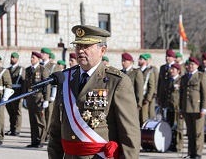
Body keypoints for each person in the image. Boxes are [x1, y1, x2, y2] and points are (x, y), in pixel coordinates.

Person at [48, 25, 141, 158]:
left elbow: (129, 134)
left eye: (86, 47)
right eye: (78, 46)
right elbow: (56, 129)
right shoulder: (65, 79)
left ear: (102, 50)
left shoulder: (116, 81)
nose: (80, 51)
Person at [180, 57, 206, 159]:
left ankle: (198, 153)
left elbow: (205, 94)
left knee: (198, 132)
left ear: (197, 65)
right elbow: (182, 94)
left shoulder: (201, 76)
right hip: (187, 108)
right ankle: (191, 152)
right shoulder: (184, 78)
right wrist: (181, 108)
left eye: (193, 64)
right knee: (190, 132)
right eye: (189, 64)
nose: (190, 66)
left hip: (197, 108)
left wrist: (204, 108)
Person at [24, 51, 51, 148]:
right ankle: (34, 141)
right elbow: (26, 85)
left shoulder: (42, 70)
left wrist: (46, 99)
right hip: (30, 98)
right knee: (32, 121)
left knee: (40, 121)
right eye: (31, 58)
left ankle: (41, 140)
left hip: (39, 98)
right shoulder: (28, 70)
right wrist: (25, 98)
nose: (31, 59)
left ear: (38, 59)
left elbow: (47, 86)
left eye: (33, 58)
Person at [161, 63, 183, 152]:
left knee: (178, 127)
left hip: (177, 107)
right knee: (169, 126)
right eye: (171, 69)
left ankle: (178, 145)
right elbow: (164, 93)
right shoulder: (168, 80)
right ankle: (171, 144)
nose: (171, 71)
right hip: (169, 106)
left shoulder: (181, 80)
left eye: (173, 69)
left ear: (178, 71)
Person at [40, 47, 61, 141]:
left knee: (49, 116)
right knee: (42, 116)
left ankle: (47, 135)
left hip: (51, 95)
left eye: (44, 53)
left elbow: (57, 82)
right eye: (41, 53)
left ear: (48, 55)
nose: (42, 55)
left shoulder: (53, 66)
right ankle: (43, 135)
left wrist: (53, 95)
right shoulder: (40, 66)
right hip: (41, 94)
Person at [5, 52, 26, 136]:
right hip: (9, 92)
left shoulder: (21, 69)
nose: (12, 59)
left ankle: (17, 129)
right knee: (11, 111)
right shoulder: (8, 69)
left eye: (13, 57)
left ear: (17, 59)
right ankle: (12, 128)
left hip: (17, 92)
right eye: (11, 57)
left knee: (17, 111)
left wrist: (23, 95)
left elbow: (23, 82)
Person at [138, 54, 156, 125]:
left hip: (144, 98)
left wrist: (148, 98)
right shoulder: (137, 71)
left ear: (145, 61)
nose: (139, 61)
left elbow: (151, 86)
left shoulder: (149, 72)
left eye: (141, 59)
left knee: (144, 118)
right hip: (137, 98)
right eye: (139, 59)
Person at [143, 53, 158, 120]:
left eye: (147, 59)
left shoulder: (153, 69)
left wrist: (154, 92)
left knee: (151, 112)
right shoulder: (143, 69)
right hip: (144, 93)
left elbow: (156, 81)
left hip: (151, 94)